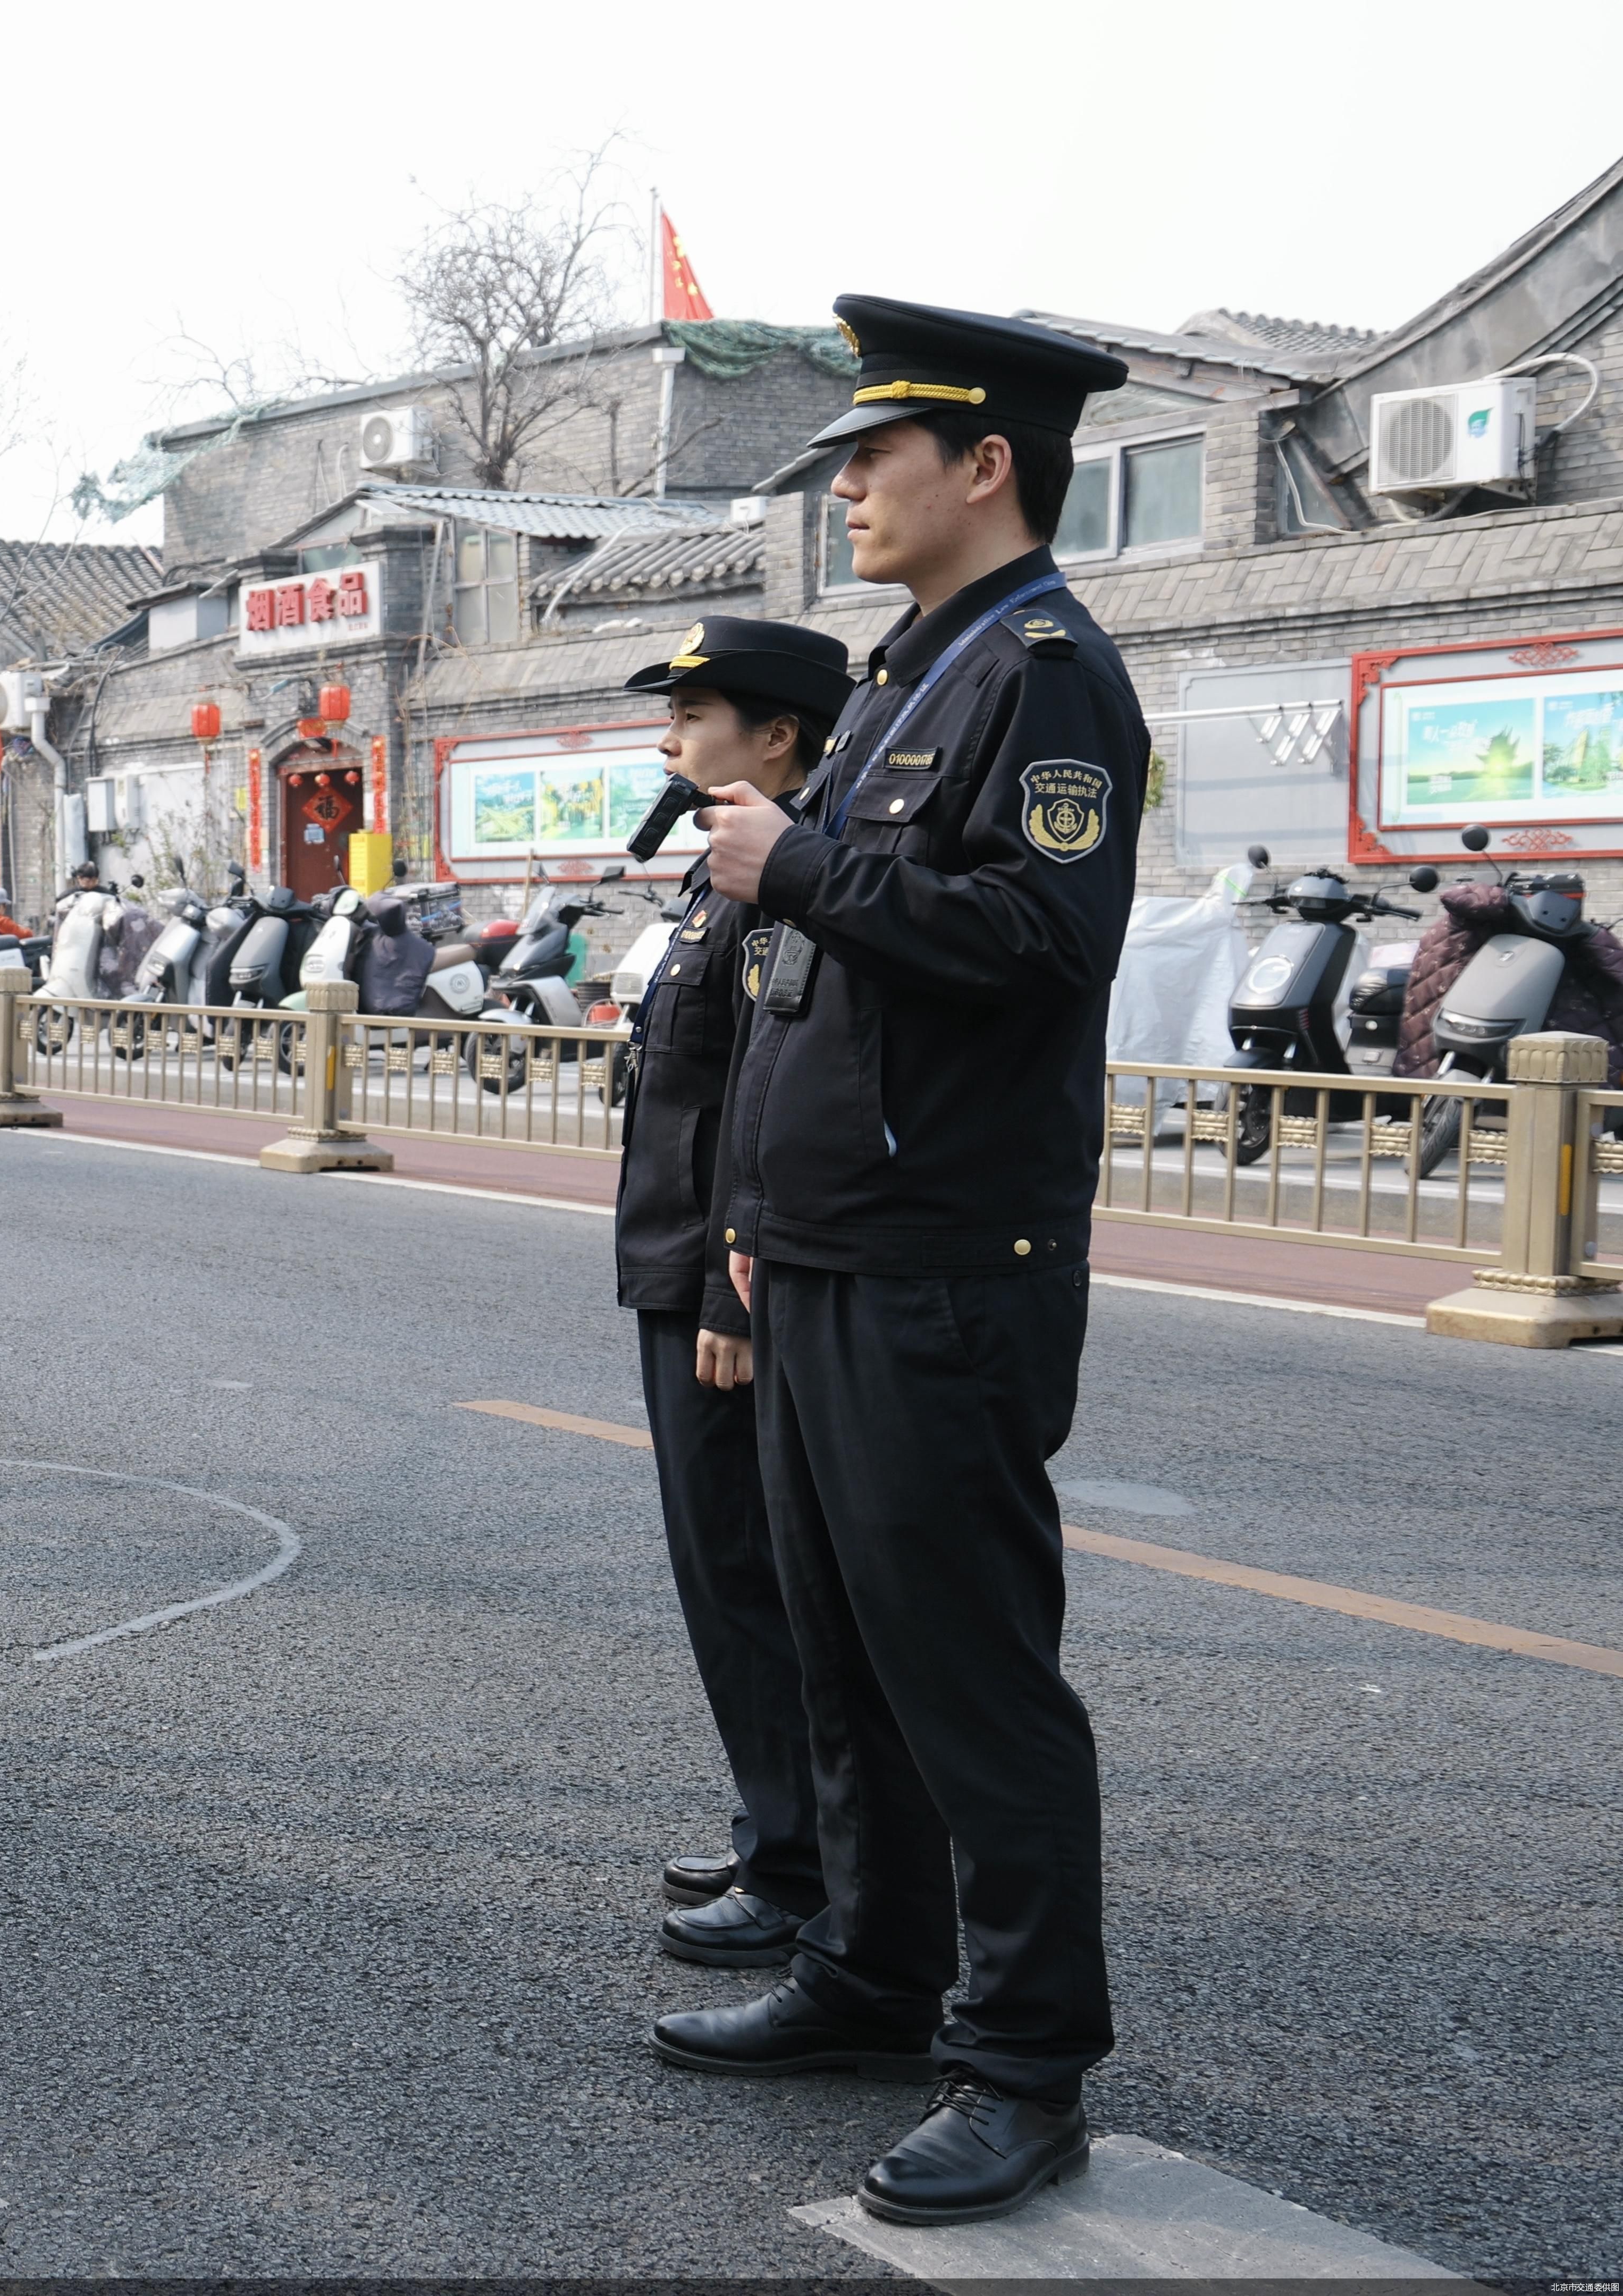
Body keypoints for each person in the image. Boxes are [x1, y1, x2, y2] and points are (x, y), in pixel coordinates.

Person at [670, 297, 1141, 2228]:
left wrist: (794, 863)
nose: (846, 484)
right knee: (843, 1645)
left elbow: (1038, 940)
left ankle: (1024, 2062)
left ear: (987, 465)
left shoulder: (1046, 676)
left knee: (966, 1669)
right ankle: (871, 1967)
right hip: (829, 1247)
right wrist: (755, 1224)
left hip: (946, 1257)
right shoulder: (904, 673)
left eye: (875, 454)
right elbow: (809, 987)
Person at [606, 618, 850, 1980]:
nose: (669, 738)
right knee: (722, 1572)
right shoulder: (725, 871)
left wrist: (731, 1295)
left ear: (777, 736)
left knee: (749, 1574)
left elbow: (767, 1109)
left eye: (692, 715)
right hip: (678, 1263)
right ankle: (779, 1829)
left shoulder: (785, 877)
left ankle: (803, 1867)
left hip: (723, 1283)